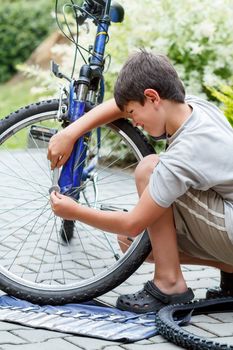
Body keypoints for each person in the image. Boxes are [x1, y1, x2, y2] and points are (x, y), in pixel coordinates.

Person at [48, 51, 233, 313]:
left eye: (134, 113)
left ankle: (169, 284)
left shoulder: (186, 152)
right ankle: (230, 271)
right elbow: (119, 105)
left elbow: (133, 222)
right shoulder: (194, 107)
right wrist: (72, 131)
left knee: (149, 169)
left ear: (153, 97)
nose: (134, 121)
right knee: (131, 244)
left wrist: (73, 212)